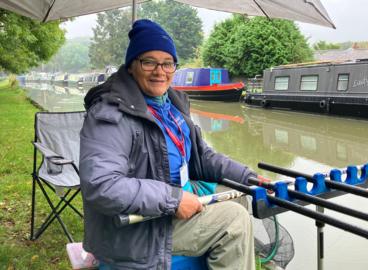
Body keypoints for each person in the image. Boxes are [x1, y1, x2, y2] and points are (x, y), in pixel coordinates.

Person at [79, 19, 256, 270]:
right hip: (135, 227)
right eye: (149, 62)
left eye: (168, 63)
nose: (160, 71)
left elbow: (202, 157)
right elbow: (102, 185)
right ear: (131, 66)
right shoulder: (109, 114)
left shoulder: (173, 105)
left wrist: (249, 177)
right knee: (235, 220)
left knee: (239, 197)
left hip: (172, 196)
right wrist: (174, 199)